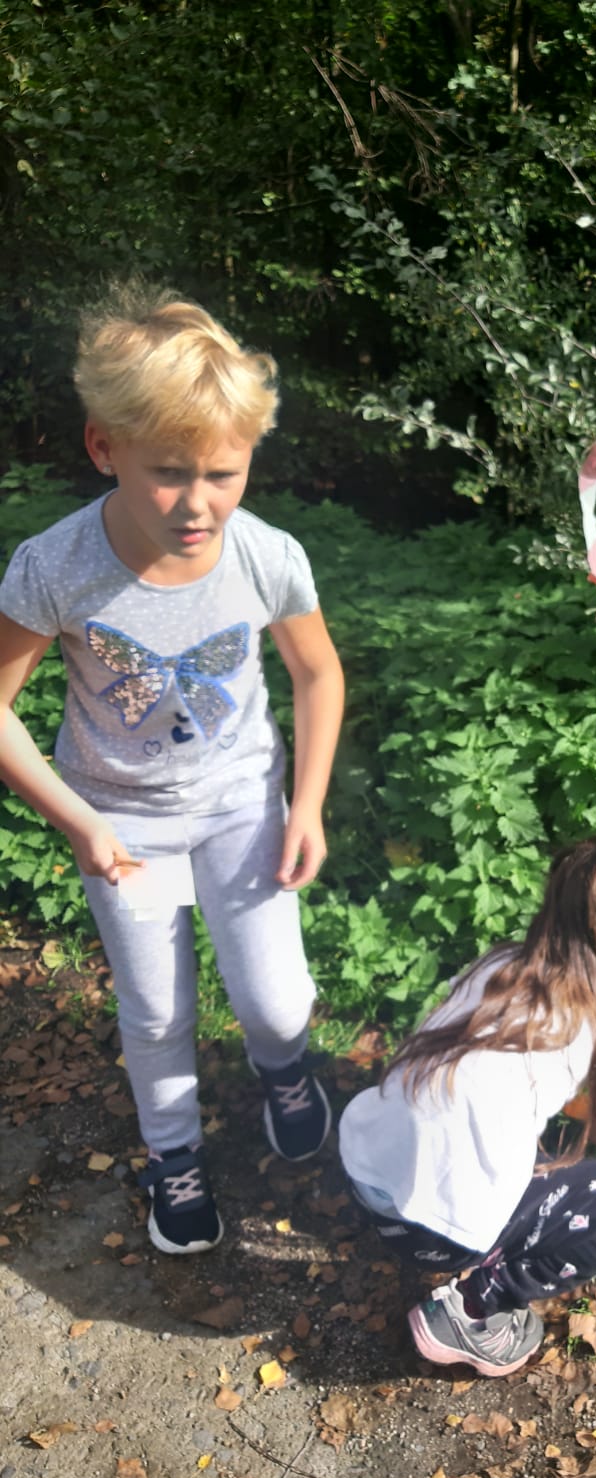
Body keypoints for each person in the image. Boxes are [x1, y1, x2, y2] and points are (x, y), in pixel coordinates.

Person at [0, 287, 344, 1255]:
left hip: (242, 803)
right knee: (156, 1009)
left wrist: (307, 804)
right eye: (167, 473)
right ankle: (174, 1153)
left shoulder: (266, 554)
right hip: (122, 822)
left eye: (223, 474)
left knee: (276, 999)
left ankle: (285, 1070)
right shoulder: (55, 567)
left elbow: (318, 674)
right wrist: (79, 820)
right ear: (103, 446)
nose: (198, 504)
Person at [339, 836, 596, 1377]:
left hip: (366, 1175)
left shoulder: (500, 965)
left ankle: (470, 1234)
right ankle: (475, 1306)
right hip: (435, 1237)